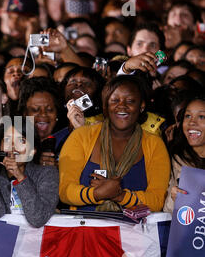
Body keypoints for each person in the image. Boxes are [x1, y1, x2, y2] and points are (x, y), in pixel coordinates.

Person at [58, 75, 170, 212]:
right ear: (105, 105)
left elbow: (157, 201)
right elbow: (64, 191)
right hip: (84, 230)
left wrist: (120, 195)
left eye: (130, 101)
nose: (122, 106)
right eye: (115, 100)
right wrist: (98, 194)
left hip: (134, 232)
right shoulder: (81, 136)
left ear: (141, 106)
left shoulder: (154, 144)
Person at [0, 118, 59, 228]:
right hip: (5, 238)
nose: (13, 147)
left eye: (21, 141)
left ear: (33, 150)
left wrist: (19, 176)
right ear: (0, 147)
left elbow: (38, 219)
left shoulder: (47, 173)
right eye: (7, 140)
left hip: (38, 241)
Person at [164, 92, 205, 213]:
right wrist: (174, 199)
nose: (192, 122)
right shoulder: (178, 159)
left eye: (201, 117)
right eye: (188, 116)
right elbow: (168, 213)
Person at [18, 76, 64, 166]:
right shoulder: (14, 143)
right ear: (24, 114)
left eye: (50, 109)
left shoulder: (68, 141)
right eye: (35, 110)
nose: (43, 114)